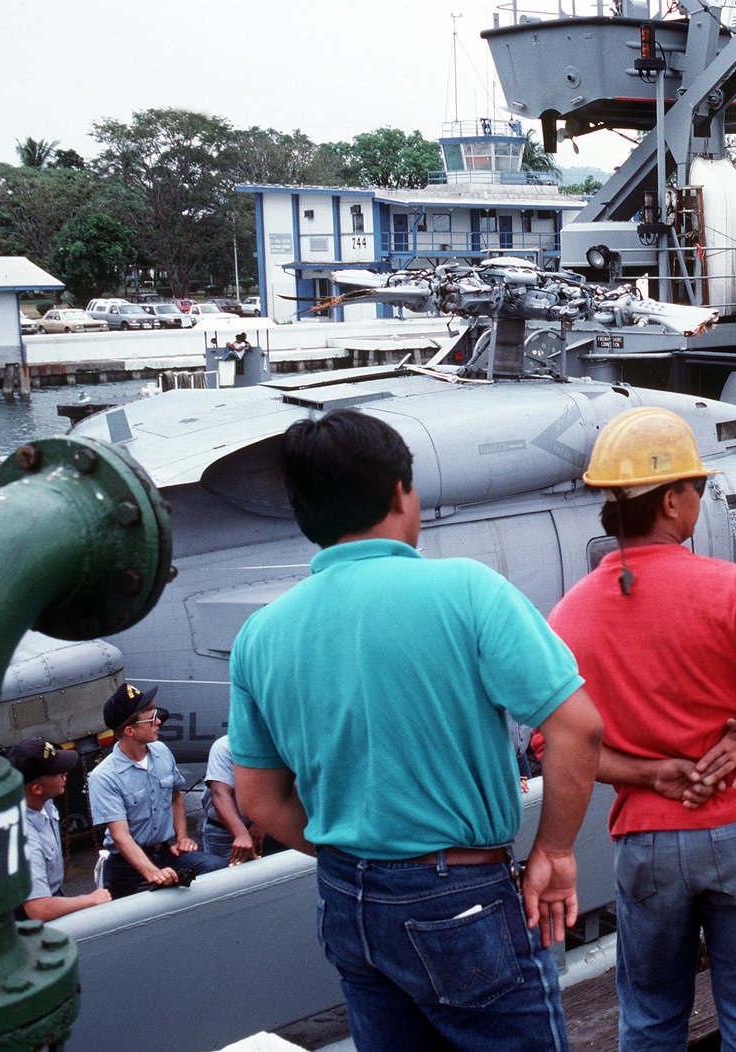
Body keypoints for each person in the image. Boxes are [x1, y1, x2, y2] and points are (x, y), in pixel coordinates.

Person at [228, 408, 604, 1052]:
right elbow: (578, 728)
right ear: (402, 492)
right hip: (460, 897)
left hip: (347, 899)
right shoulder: (467, 589)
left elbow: (260, 800)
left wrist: (370, 864)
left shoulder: (260, 634)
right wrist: (556, 852)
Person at [550, 405, 736, 1052]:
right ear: (673, 501)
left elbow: (554, 744)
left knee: (649, 1017)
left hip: (648, 842)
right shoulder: (732, 588)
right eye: (698, 490)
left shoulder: (569, 616)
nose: (699, 502)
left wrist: (648, 773)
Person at [89, 683, 226, 897]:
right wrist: (153, 873)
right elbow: (120, 836)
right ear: (129, 730)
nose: (159, 722)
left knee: (217, 868)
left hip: (165, 852)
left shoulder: (162, 752)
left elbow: (175, 798)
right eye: (152, 719)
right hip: (126, 865)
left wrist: (182, 837)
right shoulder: (104, 777)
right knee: (117, 914)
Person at [9, 737, 112, 921]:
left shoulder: (43, 802)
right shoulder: (24, 840)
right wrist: (90, 899)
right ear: (37, 788)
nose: (65, 773)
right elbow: (38, 909)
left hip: (53, 895)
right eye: (57, 773)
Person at [201, 735, 283, 864]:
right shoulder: (225, 746)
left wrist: (261, 824)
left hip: (268, 826)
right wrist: (241, 834)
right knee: (223, 877)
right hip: (225, 832)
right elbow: (220, 793)